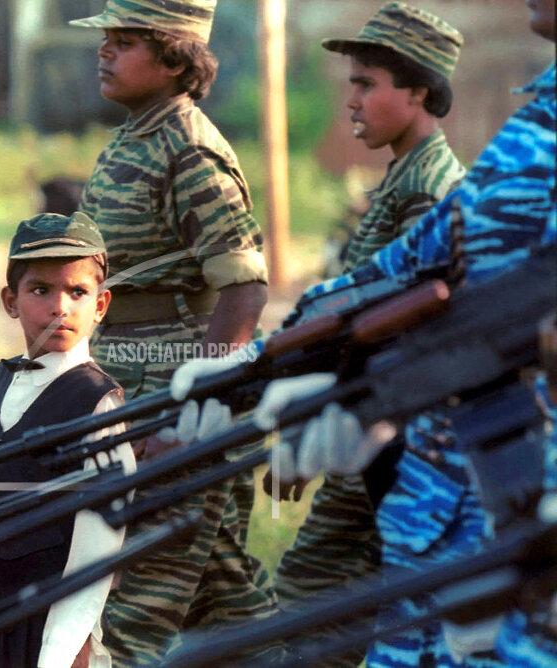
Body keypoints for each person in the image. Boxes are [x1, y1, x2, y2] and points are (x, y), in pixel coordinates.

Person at [171, 0, 556, 663]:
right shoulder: (537, 125)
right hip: (454, 513)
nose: (350, 97)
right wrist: (259, 367)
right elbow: (405, 270)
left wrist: (380, 392)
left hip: (519, 518)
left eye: (367, 81)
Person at [67, 1, 276, 662]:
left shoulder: (188, 146)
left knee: (129, 616)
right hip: (127, 390)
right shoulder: (136, 136)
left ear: (173, 56)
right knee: (225, 603)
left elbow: (244, 285)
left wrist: (191, 414)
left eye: (124, 42)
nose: (105, 52)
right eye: (105, 40)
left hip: (170, 400)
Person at [270, 5, 467, 664]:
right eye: (349, 82)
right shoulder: (402, 181)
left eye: (367, 83)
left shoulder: (429, 193)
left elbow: (387, 328)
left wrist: (309, 417)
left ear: (418, 92)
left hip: (396, 434)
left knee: (312, 613)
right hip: (373, 423)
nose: (349, 98)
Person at [0, 212, 140, 667]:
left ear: (101, 305)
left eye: (77, 292)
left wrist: (62, 649)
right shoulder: (7, 379)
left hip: (56, 627)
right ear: (11, 300)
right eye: (41, 290)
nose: (60, 306)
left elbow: (98, 546)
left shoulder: (96, 402)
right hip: (1, 619)